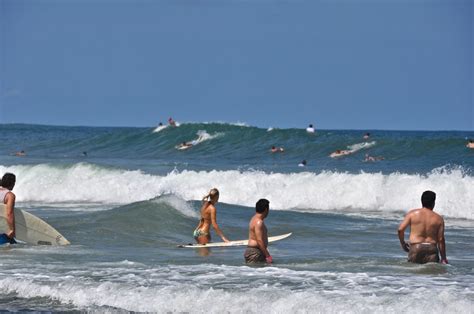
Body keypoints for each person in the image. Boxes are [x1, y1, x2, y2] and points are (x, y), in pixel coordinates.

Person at [397, 191, 448, 264]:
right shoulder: (439, 218)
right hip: (432, 249)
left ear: (422, 201)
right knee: (431, 274)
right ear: (433, 203)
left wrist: (403, 244)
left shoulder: (412, 214)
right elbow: (441, 240)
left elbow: (400, 230)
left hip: (416, 248)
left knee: (413, 273)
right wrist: (443, 258)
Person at [244, 199, 272, 264]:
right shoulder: (259, 222)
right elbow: (259, 241)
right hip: (255, 253)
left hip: (253, 252)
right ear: (266, 209)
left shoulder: (254, 218)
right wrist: (268, 255)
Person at [0, 173, 17, 244]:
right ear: (12, 183)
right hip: (2, 231)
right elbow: (9, 213)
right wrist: (12, 230)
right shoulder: (9, 195)